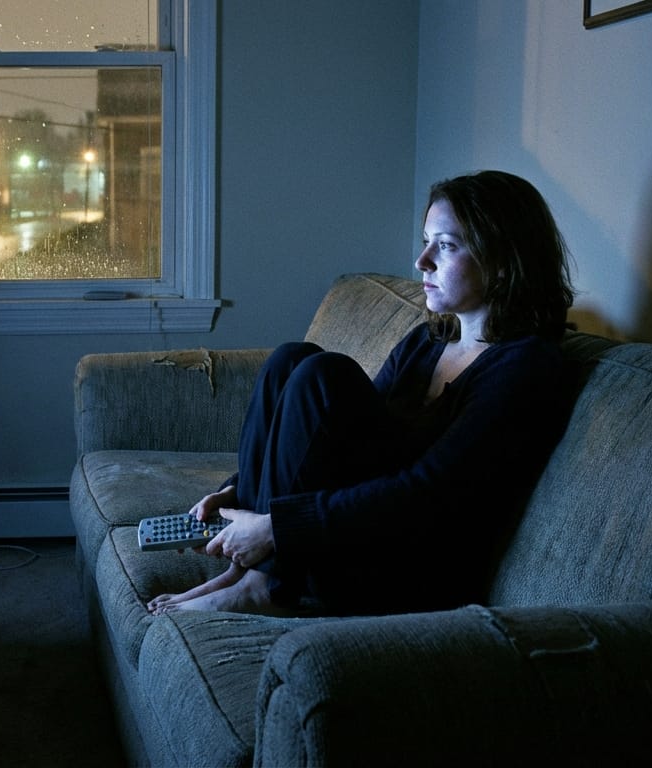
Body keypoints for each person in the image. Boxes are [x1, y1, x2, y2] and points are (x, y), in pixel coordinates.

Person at [147, 170, 577, 618]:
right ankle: (247, 571)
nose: (422, 261)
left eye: (446, 246)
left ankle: (265, 585)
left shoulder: (524, 366)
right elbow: (332, 439)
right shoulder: (427, 341)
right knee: (292, 359)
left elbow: (429, 493)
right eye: (426, 241)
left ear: (504, 261)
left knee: (324, 374)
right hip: (348, 536)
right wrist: (237, 492)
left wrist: (277, 530)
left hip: (408, 566)